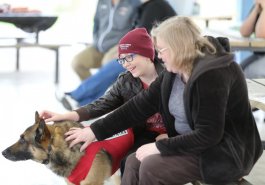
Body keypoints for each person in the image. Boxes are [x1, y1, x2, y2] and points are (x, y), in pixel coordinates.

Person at [63, 16, 263, 185]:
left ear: (178, 47)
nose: (158, 56)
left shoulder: (212, 74)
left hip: (224, 152)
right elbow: (138, 107)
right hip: (194, 146)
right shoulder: (173, 73)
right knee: (133, 161)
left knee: (152, 166)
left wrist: (160, 147)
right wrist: (94, 131)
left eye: (161, 50)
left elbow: (208, 135)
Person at [41, 28, 166, 176]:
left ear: (147, 54)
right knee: (127, 164)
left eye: (130, 57)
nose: (125, 63)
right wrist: (68, 115)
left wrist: (171, 135)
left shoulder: (169, 74)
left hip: (175, 132)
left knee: (141, 166)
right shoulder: (126, 81)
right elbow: (103, 103)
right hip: (145, 133)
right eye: (121, 59)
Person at [58, 0, 177, 110]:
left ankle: (78, 97)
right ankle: (85, 101)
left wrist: (124, 49)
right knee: (111, 64)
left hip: (157, 54)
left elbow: (142, 37)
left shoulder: (155, 5)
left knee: (115, 64)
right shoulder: (146, 7)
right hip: (147, 51)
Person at [72, 0, 141, 80]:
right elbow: (96, 22)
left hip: (118, 46)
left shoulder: (133, 3)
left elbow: (137, 28)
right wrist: (95, 40)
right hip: (98, 46)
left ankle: (103, 90)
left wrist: (125, 46)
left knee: (108, 64)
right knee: (77, 63)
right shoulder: (102, 2)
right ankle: (93, 90)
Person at [239, 0, 265, 78]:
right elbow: (244, 32)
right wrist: (256, 8)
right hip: (260, 54)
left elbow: (261, 35)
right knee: (238, 70)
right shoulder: (260, 5)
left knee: (252, 72)